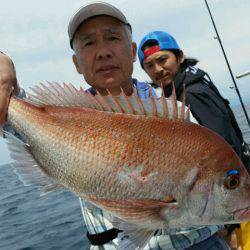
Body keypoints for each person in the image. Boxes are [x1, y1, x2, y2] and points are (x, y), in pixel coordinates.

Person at [0, 3, 228, 249]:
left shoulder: (173, 114)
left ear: (132, 51)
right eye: (89, 43)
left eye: (112, 37)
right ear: (77, 63)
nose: (103, 52)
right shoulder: (60, 113)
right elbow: (13, 114)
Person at [138, 30, 250, 249]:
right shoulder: (188, 84)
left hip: (236, 208)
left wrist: (229, 227)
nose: (158, 70)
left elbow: (221, 161)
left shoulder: (191, 93)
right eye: (149, 65)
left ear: (179, 57)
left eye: (163, 59)